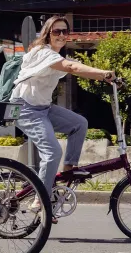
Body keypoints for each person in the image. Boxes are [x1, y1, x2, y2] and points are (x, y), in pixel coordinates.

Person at [10, 16, 114, 217]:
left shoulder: (57, 56)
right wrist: (104, 73)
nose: (61, 35)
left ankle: (68, 171)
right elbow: (72, 68)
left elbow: (76, 67)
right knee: (52, 152)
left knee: (79, 123)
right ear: (48, 33)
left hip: (43, 108)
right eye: (56, 31)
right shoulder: (41, 52)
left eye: (65, 32)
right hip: (25, 108)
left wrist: (111, 79)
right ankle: (39, 198)